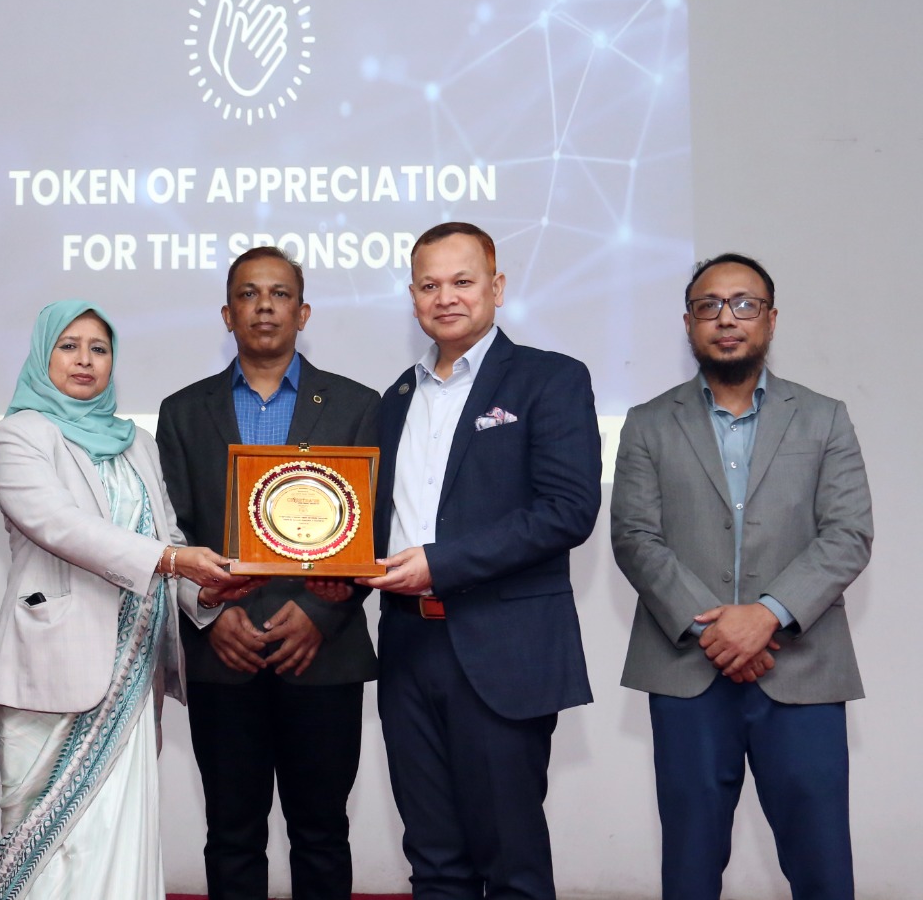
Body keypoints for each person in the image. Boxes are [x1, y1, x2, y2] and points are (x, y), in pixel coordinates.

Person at [611, 253, 872, 899]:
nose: (727, 319)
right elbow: (635, 537)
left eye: (744, 304)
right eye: (709, 306)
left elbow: (848, 533)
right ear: (688, 323)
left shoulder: (824, 417)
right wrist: (718, 628)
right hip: (687, 672)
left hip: (803, 670)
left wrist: (765, 615)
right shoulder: (647, 422)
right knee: (690, 872)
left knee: (823, 870)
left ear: (771, 319)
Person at [357, 222, 600, 898]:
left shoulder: (550, 378)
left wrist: (440, 563)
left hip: (502, 650)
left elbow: (568, 510)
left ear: (497, 287)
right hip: (407, 647)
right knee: (433, 861)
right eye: (429, 285)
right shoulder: (395, 399)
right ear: (412, 298)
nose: (446, 298)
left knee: (512, 863)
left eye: (462, 281)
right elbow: (376, 523)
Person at [0, 300, 241, 900]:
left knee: (119, 835)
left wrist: (209, 590)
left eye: (98, 349)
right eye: (69, 346)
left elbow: (168, 537)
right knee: (51, 845)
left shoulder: (138, 443)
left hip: (132, 673)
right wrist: (173, 560)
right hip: (55, 665)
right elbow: (60, 526)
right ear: (43, 354)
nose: (85, 360)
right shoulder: (15, 437)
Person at [155, 246, 379, 900]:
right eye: (248, 294)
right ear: (227, 314)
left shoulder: (357, 405)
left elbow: (372, 527)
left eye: (279, 294)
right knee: (232, 834)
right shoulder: (183, 410)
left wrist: (320, 613)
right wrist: (212, 613)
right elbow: (169, 529)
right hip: (223, 654)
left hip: (323, 653)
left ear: (302, 312)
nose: (264, 306)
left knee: (321, 833)